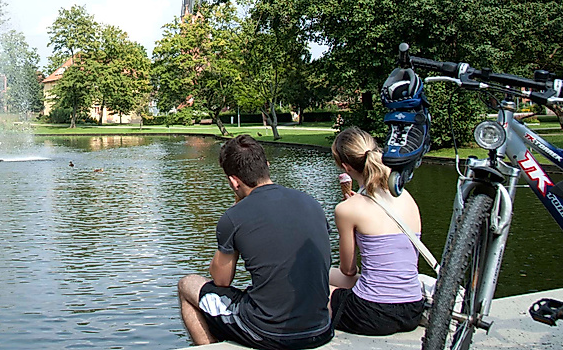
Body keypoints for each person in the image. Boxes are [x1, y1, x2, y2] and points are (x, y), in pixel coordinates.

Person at [178, 135, 333, 349]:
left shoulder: (233, 217)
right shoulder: (311, 202)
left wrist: (234, 213)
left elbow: (221, 281)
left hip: (270, 334)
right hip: (321, 329)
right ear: (267, 166)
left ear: (233, 181)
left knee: (187, 285)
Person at [329, 127, 426, 335]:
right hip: (412, 308)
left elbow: (348, 270)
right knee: (325, 274)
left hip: (372, 312)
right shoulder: (406, 197)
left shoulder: (346, 209)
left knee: (311, 287)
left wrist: (350, 214)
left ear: (346, 168)